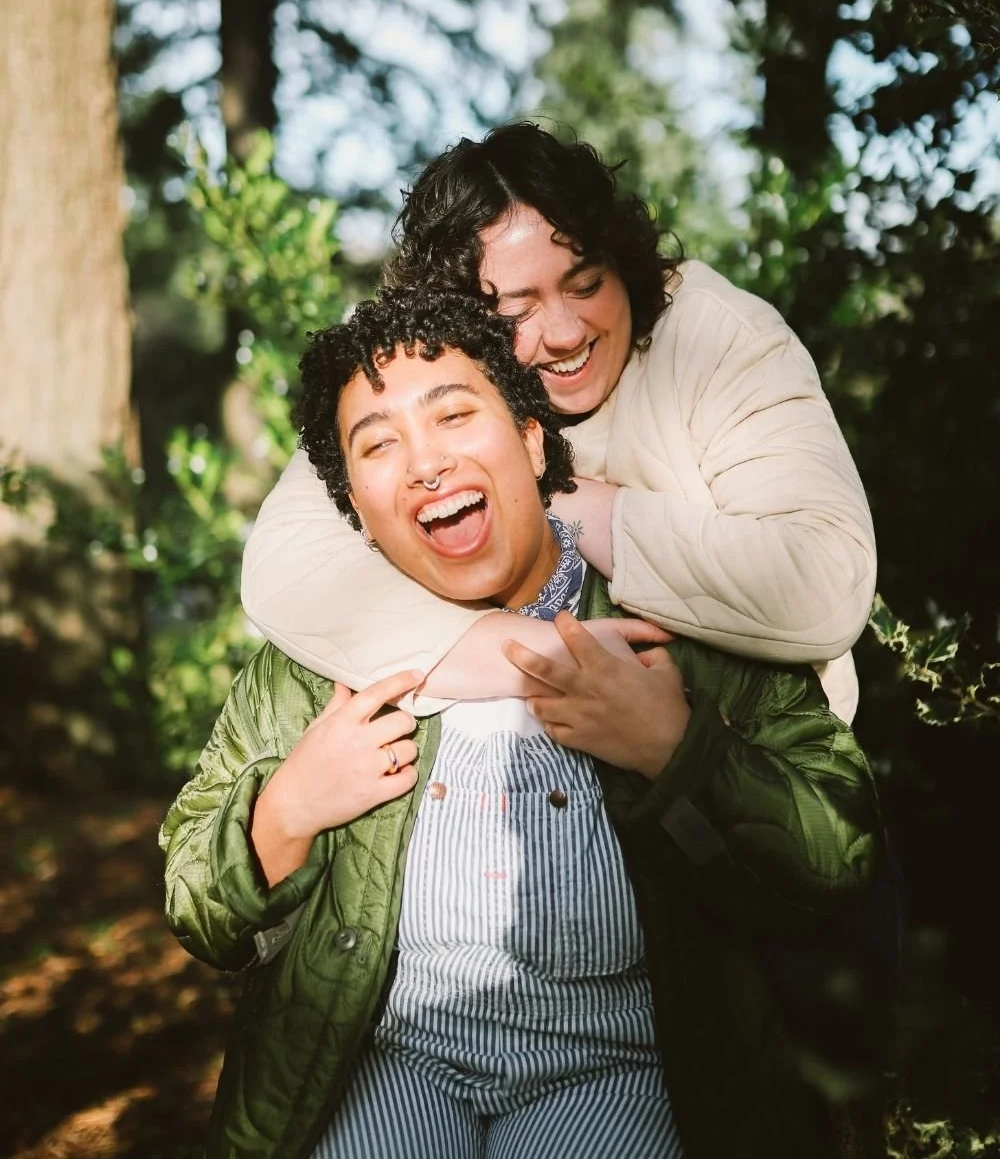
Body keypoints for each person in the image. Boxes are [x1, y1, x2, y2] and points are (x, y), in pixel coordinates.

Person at [162, 292, 890, 1159]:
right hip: (390, 1057)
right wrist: (283, 811)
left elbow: (843, 851)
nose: (424, 465)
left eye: (454, 417)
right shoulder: (321, 657)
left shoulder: (676, 628)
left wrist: (679, 747)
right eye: (379, 444)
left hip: (615, 1062)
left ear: (533, 442)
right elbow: (196, 907)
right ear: (356, 504)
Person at [240, 122, 876, 727]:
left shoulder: (717, 338)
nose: (568, 332)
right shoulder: (419, 386)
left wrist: (559, 493)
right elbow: (285, 571)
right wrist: (537, 658)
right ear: (459, 329)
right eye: (518, 311)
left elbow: (824, 587)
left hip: (755, 775)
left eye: (586, 282)